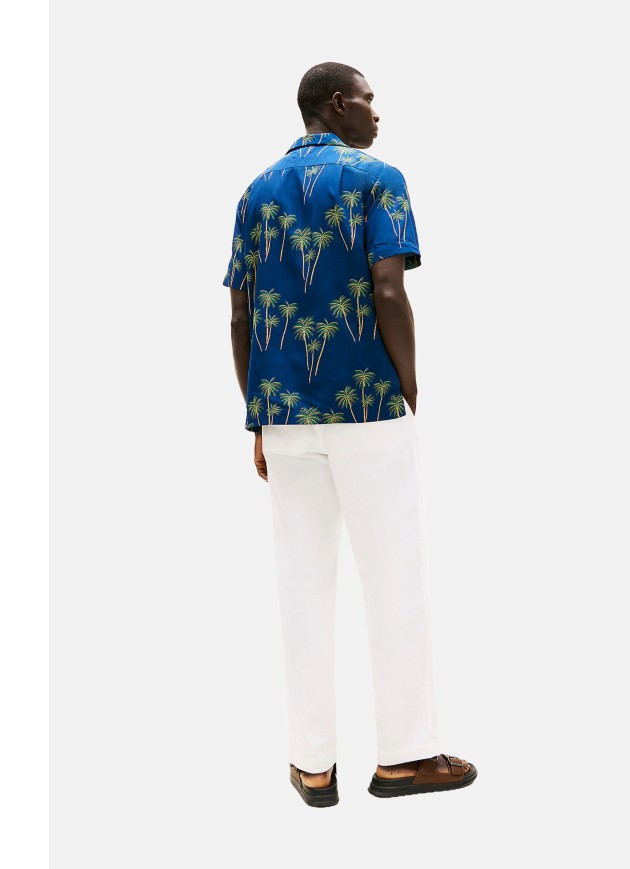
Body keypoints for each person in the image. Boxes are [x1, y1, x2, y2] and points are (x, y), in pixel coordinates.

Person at [223, 61, 477, 806]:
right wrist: (409, 385)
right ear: (337, 104)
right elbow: (388, 289)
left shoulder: (255, 192)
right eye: (369, 100)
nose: (376, 113)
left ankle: (312, 765)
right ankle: (404, 758)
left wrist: (259, 414)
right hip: (367, 408)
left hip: (286, 416)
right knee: (393, 579)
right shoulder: (378, 179)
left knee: (301, 585)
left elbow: (239, 315)